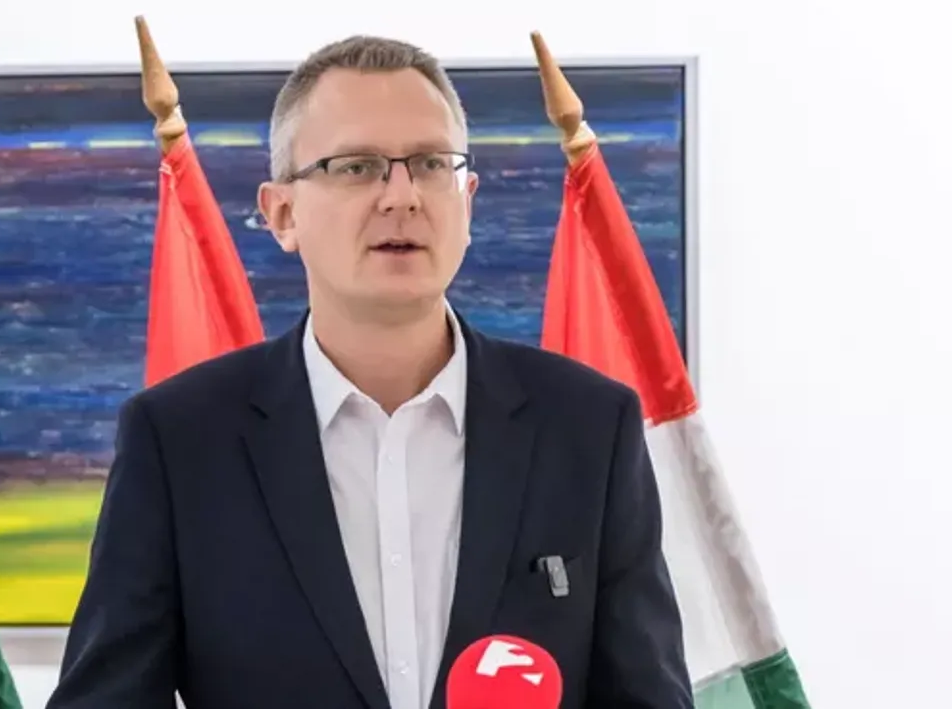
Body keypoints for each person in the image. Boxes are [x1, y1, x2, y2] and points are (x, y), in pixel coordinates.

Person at [47, 35, 694, 709]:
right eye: (356, 167)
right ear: (282, 214)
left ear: (467, 201)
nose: (402, 196)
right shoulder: (180, 439)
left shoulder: (588, 426)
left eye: (431, 164)